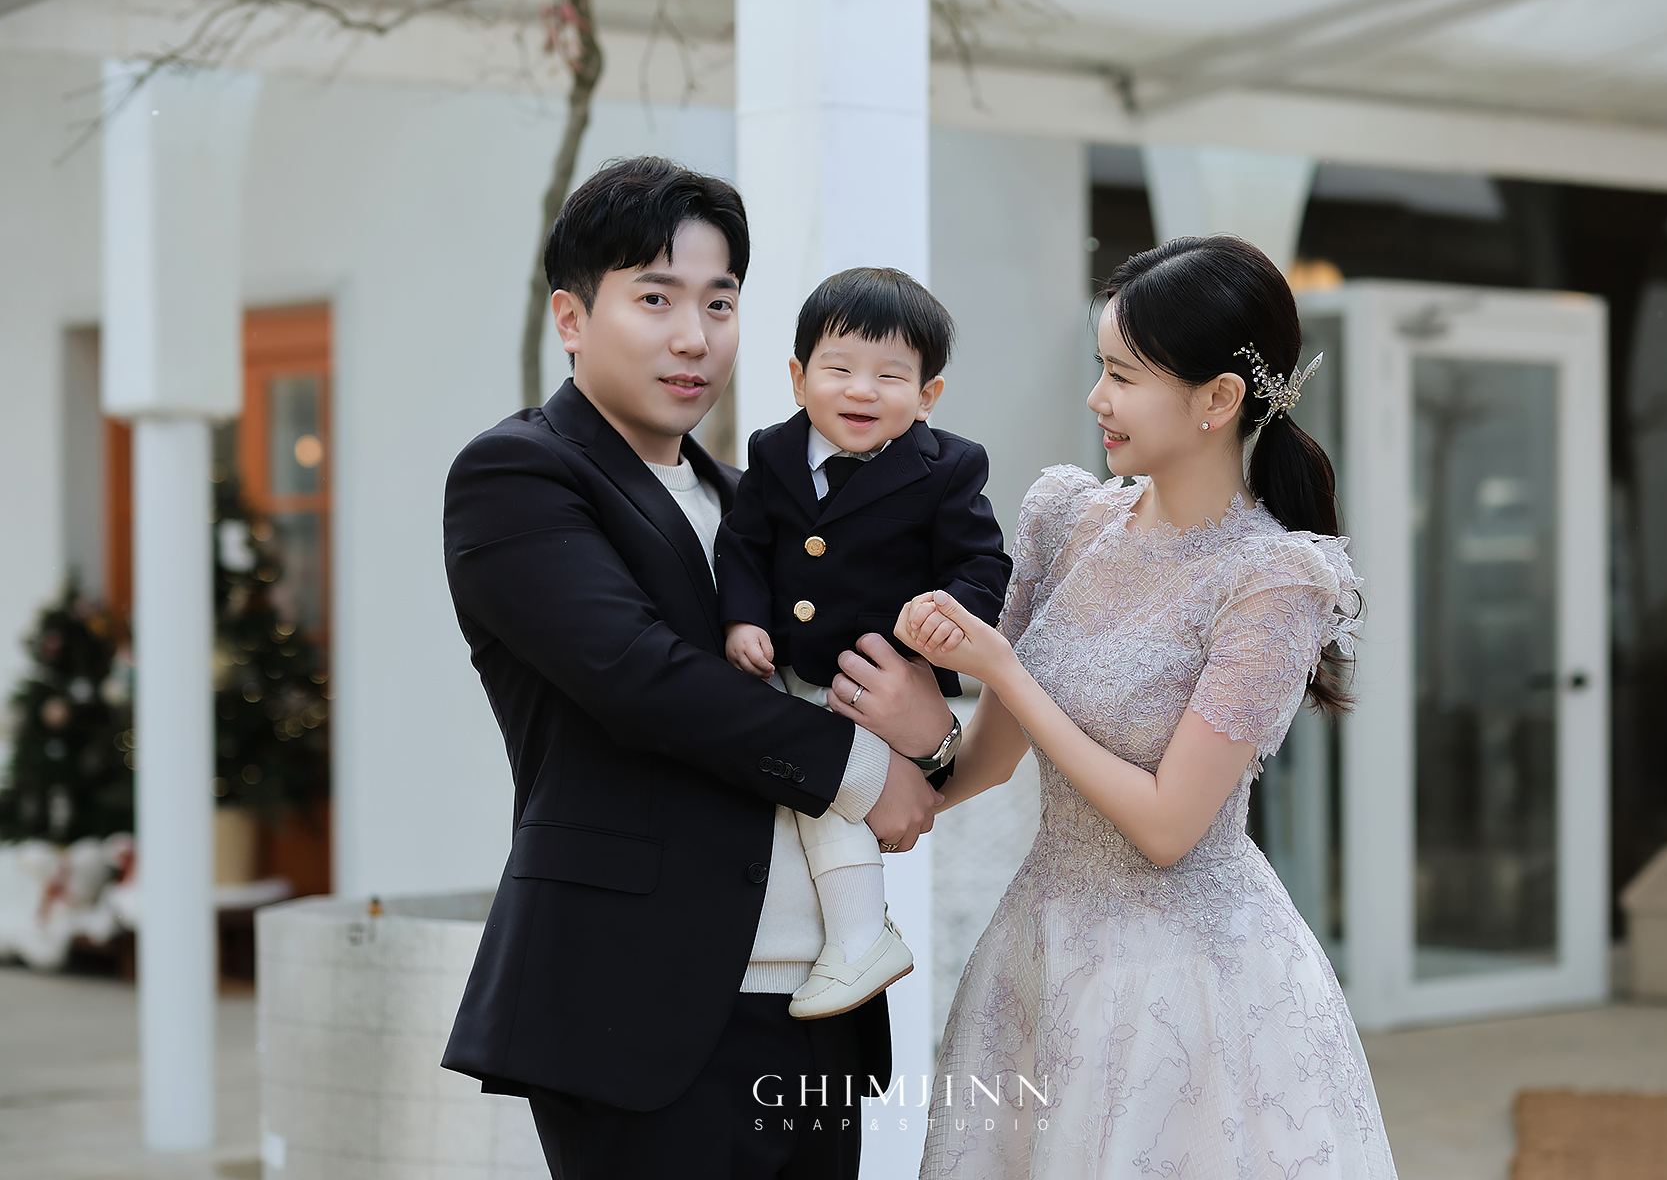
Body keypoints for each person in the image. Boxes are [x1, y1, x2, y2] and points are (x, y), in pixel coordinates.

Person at [437, 156, 955, 1180]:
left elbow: (875, 671)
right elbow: (641, 677)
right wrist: (862, 769)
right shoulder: (518, 473)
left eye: (720, 303)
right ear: (571, 317)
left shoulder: (763, 500)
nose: (695, 337)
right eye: (656, 298)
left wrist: (929, 736)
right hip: (641, 1010)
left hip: (819, 1004)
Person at [891, 236, 1400, 1177]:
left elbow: (1169, 828)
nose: (1098, 399)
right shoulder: (1067, 518)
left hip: (1189, 978)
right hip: (1041, 945)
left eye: (1123, 377)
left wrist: (1005, 670)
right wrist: (893, 780)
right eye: (1101, 369)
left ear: (1218, 398)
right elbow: (989, 762)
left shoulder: (1274, 579)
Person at [715, 266, 1012, 1021]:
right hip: (789, 668)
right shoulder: (773, 454)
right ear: (798, 378)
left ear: (927, 396)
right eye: (839, 369)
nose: (861, 391)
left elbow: (982, 563)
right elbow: (743, 545)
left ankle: (858, 939)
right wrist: (742, 620)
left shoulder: (948, 468)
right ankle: (853, 939)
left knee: (822, 795)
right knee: (809, 793)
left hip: (878, 682)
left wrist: (947, 627)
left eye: (890, 376)